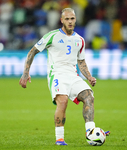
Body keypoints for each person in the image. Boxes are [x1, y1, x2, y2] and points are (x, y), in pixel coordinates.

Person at [19, 8, 110, 146]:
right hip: (57, 74)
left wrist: (89, 76)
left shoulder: (80, 40)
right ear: (62, 20)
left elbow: (81, 61)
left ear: (75, 20)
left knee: (89, 96)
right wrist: (26, 72)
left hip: (73, 75)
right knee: (63, 101)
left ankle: (90, 132)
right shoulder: (52, 36)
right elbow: (33, 51)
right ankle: (59, 139)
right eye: (67, 19)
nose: (70, 21)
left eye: (72, 19)